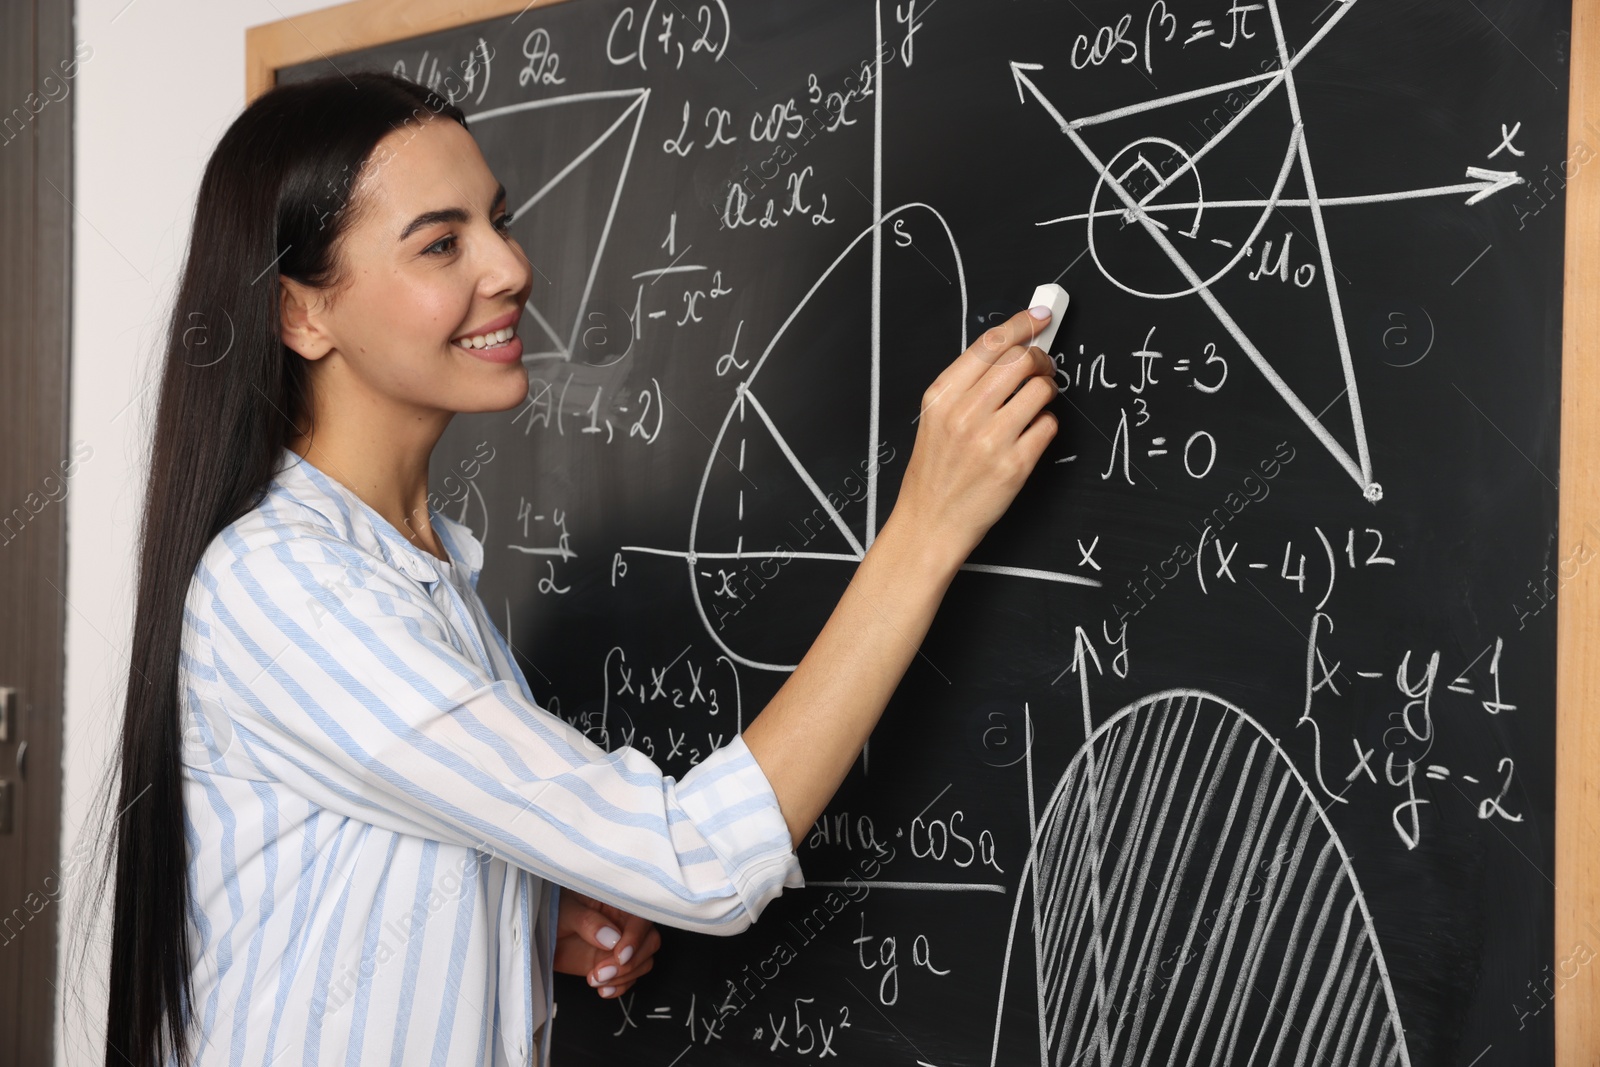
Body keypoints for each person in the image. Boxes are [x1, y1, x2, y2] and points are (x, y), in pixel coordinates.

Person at [96, 70, 1061, 1067]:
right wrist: (926, 526)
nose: (510, 265)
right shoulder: (288, 586)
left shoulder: (409, 563)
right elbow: (700, 863)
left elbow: (346, 854)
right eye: (441, 242)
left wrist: (511, 916)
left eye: (497, 221)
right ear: (301, 314)